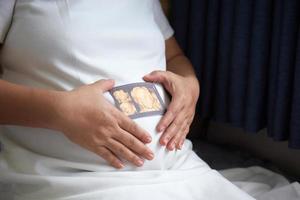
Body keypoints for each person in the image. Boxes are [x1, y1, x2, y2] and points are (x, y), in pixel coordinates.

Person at [0, 0, 254, 199]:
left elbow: (174, 56)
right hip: (72, 178)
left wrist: (189, 82)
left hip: (179, 167)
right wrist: (59, 111)